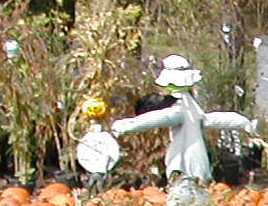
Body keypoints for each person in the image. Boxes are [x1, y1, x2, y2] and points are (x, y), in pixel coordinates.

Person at [110, 54, 256, 185]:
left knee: (182, 203)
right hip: (199, 164)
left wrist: (126, 125)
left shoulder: (181, 109)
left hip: (183, 165)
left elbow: (157, 118)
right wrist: (242, 122)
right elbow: (213, 119)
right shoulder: (191, 107)